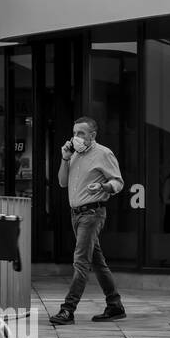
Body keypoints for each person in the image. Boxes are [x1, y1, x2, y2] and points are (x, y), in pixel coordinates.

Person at [49, 116, 126, 325]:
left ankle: (68, 309)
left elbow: (118, 183)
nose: (76, 137)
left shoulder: (103, 153)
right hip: (76, 214)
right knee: (97, 262)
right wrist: (64, 158)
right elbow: (62, 182)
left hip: (92, 214)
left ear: (92, 135)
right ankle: (115, 305)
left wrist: (103, 187)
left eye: (81, 133)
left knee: (80, 261)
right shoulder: (73, 155)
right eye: (74, 133)